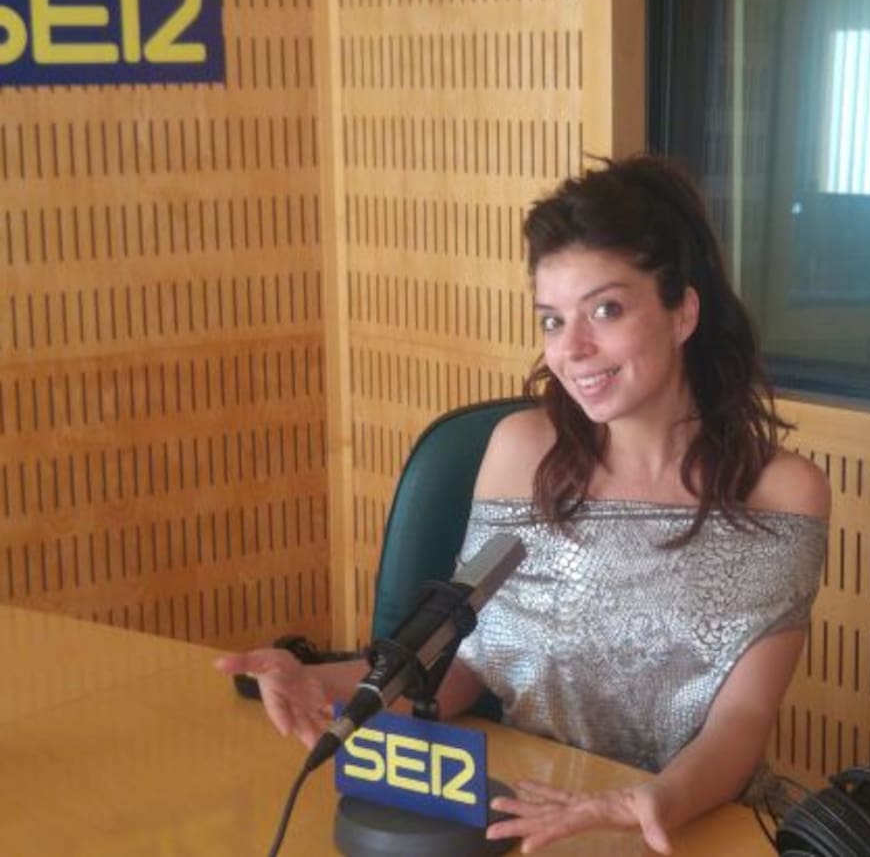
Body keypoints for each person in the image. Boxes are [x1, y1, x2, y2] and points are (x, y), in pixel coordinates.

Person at [216, 154, 830, 854]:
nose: (574, 349)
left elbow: (743, 720)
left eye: (606, 310)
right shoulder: (522, 451)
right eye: (552, 320)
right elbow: (468, 666)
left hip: (695, 825)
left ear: (683, 311)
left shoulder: (781, 494)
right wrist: (322, 683)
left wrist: (652, 800)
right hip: (536, 815)